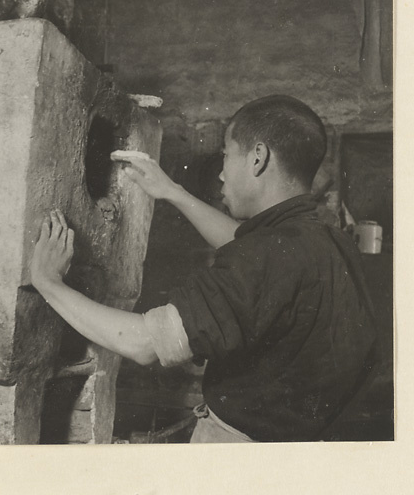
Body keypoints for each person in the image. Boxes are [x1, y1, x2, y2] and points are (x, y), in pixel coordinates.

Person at [30, 95, 376, 443]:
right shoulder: (324, 236)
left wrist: (49, 283)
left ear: (258, 158)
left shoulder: (266, 256)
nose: (222, 173)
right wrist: (172, 191)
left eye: (227, 154)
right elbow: (241, 244)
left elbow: (145, 343)